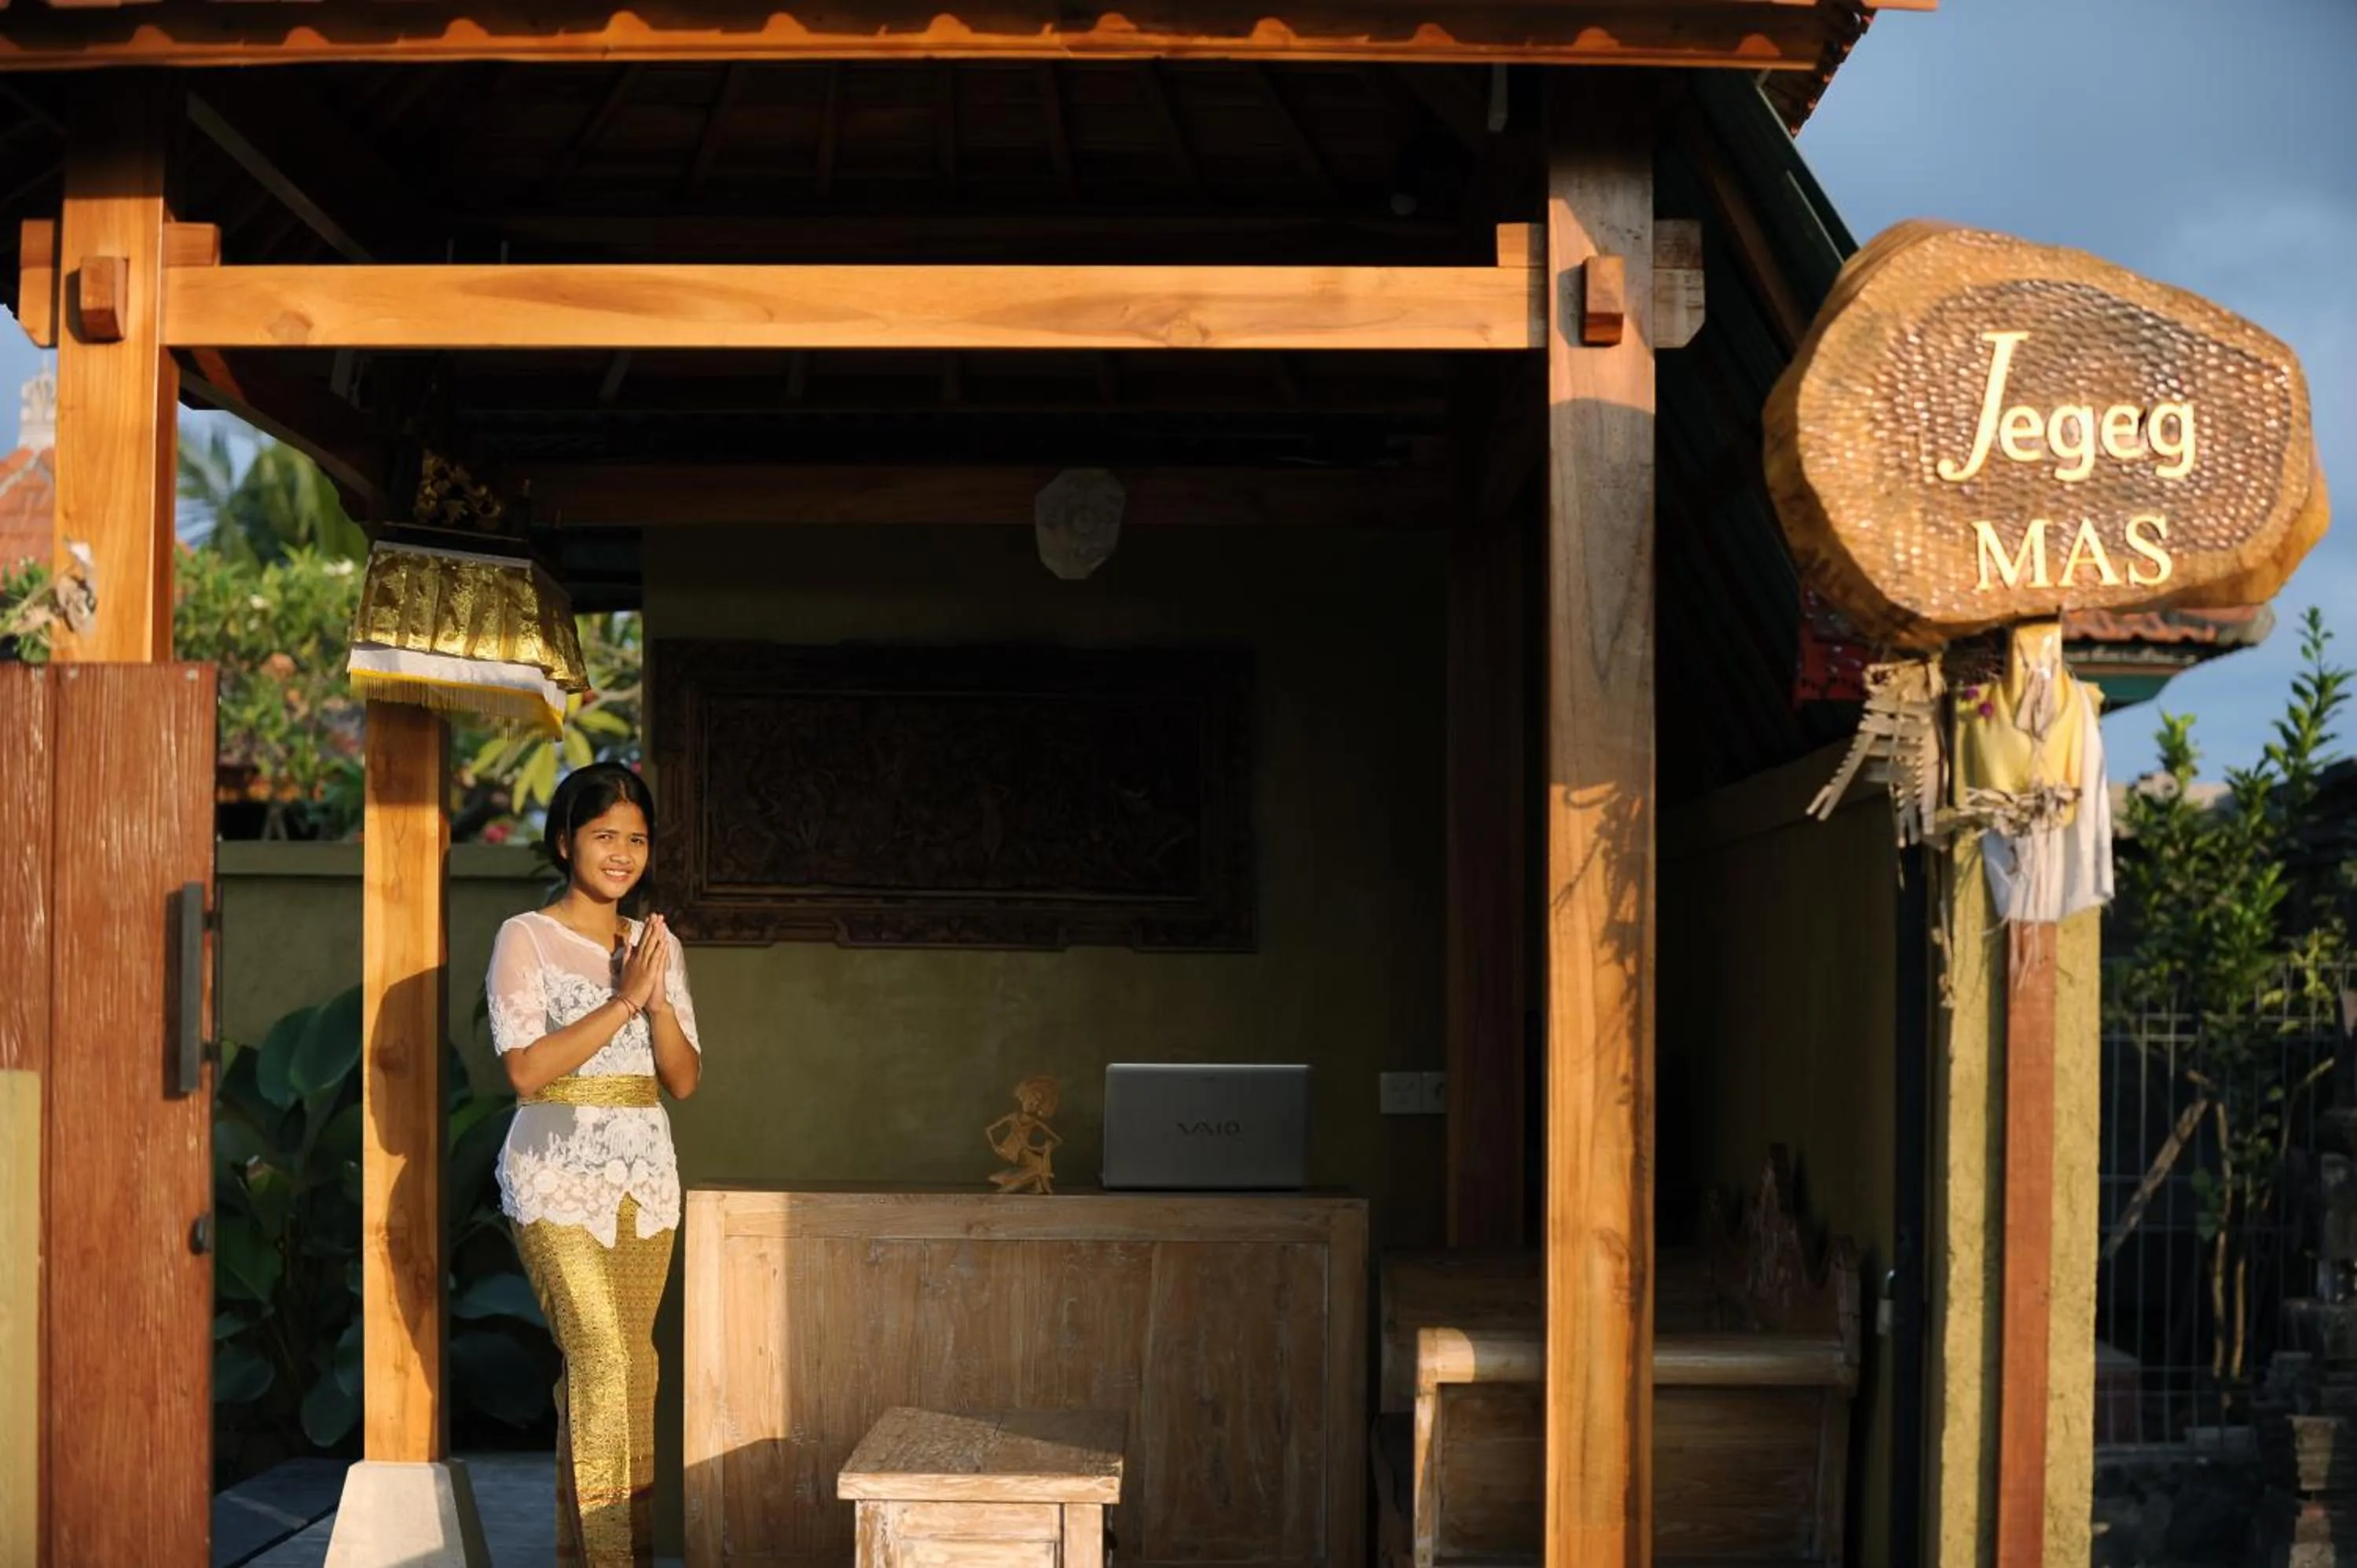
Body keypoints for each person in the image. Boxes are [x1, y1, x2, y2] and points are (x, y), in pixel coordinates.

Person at [484, 760, 701, 1566]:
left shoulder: (655, 945)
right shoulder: (526, 936)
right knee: (604, 1357)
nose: (622, 852)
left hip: (644, 1181)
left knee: (626, 1368)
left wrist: (656, 995)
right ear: (566, 839)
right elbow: (525, 1070)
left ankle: (591, 1556)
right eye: (605, 834)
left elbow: (681, 1078)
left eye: (636, 838)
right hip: (554, 1176)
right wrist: (619, 1002)